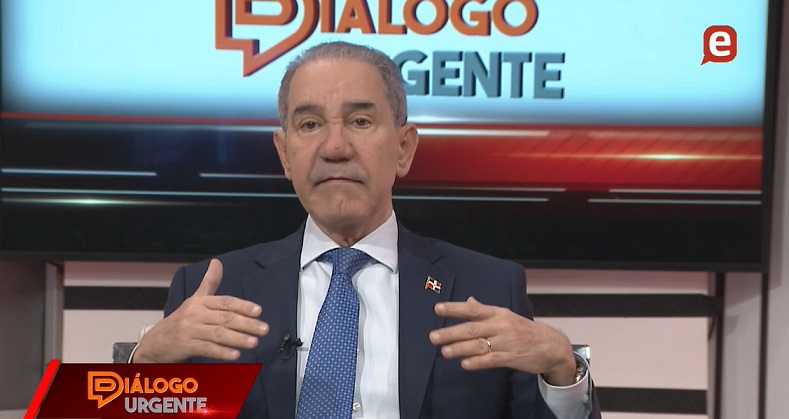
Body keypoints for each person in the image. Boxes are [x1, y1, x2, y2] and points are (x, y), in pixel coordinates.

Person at [131, 41, 601, 419]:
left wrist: (563, 370)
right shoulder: (211, 290)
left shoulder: (489, 287)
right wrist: (144, 366)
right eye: (310, 124)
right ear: (284, 154)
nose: (335, 147)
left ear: (403, 148)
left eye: (360, 121)